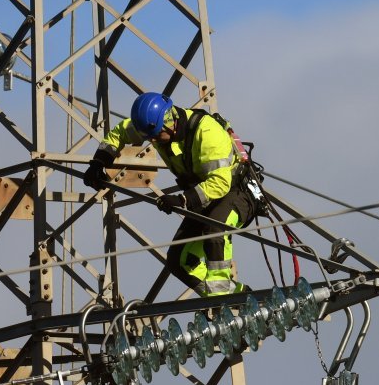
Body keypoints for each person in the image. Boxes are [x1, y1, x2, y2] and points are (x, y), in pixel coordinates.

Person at [83, 92, 259, 297]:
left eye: (157, 135)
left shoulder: (206, 132)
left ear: (171, 123)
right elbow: (120, 133)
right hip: (204, 196)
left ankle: (220, 295)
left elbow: (220, 183)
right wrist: (99, 162)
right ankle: (236, 296)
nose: (154, 141)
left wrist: (183, 200)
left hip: (237, 192)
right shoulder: (153, 127)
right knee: (179, 262)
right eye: (150, 137)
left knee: (214, 232)